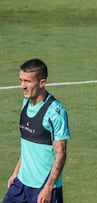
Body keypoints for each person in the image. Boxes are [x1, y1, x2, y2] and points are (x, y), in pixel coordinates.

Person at [3, 59, 70, 203]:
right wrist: (16, 172)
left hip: (42, 187)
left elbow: (61, 153)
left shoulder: (55, 112)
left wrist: (48, 188)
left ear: (41, 82)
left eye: (28, 81)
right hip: (21, 183)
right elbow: (28, 146)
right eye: (21, 80)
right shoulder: (25, 103)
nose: (23, 86)